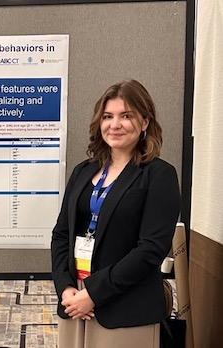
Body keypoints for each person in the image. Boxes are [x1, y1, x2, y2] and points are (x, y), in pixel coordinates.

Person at [51, 79, 180, 348]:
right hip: (75, 303)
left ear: (144, 122)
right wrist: (66, 289)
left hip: (125, 309)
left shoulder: (159, 175)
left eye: (126, 116)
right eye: (108, 116)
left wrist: (94, 294)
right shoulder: (83, 171)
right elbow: (61, 234)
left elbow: (150, 250)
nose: (115, 124)